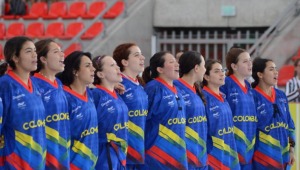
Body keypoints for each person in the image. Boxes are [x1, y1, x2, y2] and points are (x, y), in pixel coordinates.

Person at [0, 36, 46, 169]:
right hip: (13, 162)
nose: (34, 55)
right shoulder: (5, 85)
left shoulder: (35, 84)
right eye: (28, 51)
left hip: (37, 161)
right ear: (15, 57)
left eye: (35, 51)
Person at [142, 51, 188, 169]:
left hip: (178, 155)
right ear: (160, 69)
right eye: (171, 62)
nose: (177, 64)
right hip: (157, 157)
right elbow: (143, 121)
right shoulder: (153, 89)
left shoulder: (177, 89)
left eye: (176, 61)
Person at [32, 39, 70, 169]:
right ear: (43, 59)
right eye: (56, 52)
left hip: (62, 154)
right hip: (43, 157)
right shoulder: (34, 84)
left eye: (61, 51)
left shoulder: (58, 83)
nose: (62, 55)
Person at [251, 57, 295, 169]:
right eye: (271, 69)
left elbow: (289, 125)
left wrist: (291, 149)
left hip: (284, 159)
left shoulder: (281, 95)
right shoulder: (252, 97)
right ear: (260, 74)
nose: (276, 72)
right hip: (262, 161)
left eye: (276, 68)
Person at [57, 51, 98, 169]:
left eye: (92, 65)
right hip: (72, 164)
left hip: (91, 164)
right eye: (87, 66)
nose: (93, 69)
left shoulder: (90, 94)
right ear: (75, 71)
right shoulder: (64, 97)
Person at [112, 43, 148, 169]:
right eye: (137, 55)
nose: (142, 58)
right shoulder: (116, 84)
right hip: (123, 153)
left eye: (141, 55)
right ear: (124, 62)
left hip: (140, 150)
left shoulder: (140, 85)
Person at [220, 47, 257, 169]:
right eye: (245, 61)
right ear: (234, 66)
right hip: (232, 148)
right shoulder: (225, 84)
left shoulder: (249, 86)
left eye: (250, 60)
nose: (250, 64)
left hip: (249, 149)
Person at [92, 55, 128, 170]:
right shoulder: (95, 94)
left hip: (121, 153)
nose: (118, 68)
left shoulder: (117, 94)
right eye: (112, 65)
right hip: (104, 155)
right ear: (100, 74)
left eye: (116, 64)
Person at [202, 59, 239, 170]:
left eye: (222, 70)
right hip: (213, 158)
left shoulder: (223, 97)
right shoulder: (203, 98)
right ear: (206, 77)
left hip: (229, 155)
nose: (222, 73)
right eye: (217, 71)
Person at [174, 51, 208, 169]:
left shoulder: (196, 89)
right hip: (186, 156)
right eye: (204, 66)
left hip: (200, 154)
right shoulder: (175, 88)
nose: (205, 70)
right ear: (196, 68)